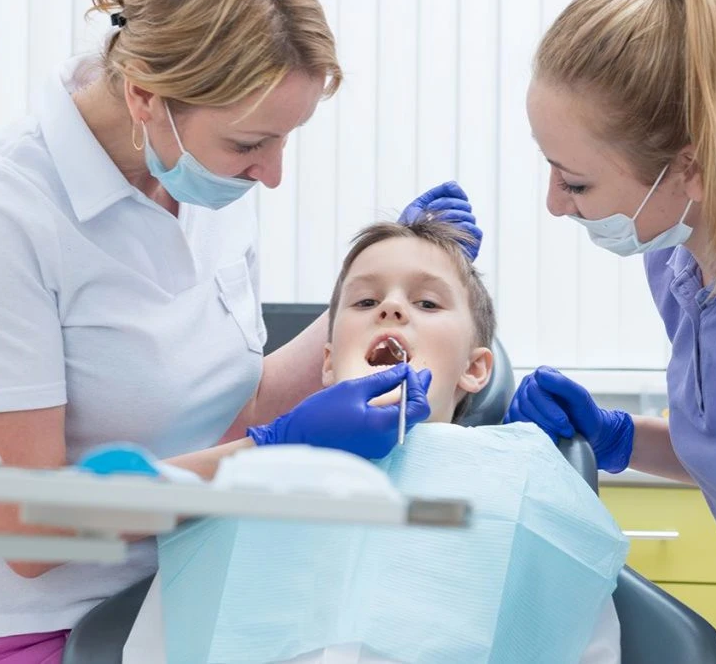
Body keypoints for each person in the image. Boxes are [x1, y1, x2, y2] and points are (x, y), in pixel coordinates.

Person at [0, 0, 477, 660]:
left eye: (286, 138)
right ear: (146, 96)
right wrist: (264, 454)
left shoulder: (201, 177)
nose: (272, 174)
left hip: (183, 582)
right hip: (38, 624)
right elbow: (25, 524)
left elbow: (231, 400)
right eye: (252, 143)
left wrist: (388, 295)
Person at [124, 216, 626, 664]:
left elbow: (578, 635)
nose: (390, 308)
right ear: (325, 362)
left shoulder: (522, 481)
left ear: (475, 369)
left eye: (427, 302)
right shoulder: (240, 483)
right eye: (366, 300)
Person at [508, 0, 716, 661]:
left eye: (575, 181)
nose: (554, 204)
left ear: (688, 169)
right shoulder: (676, 263)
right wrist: (620, 437)